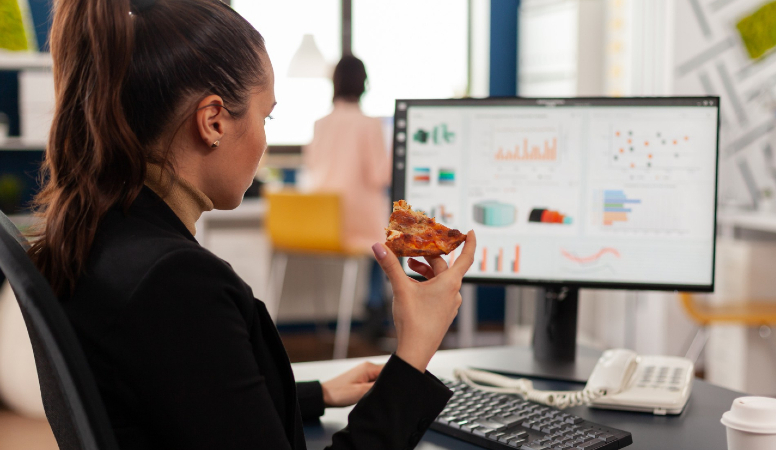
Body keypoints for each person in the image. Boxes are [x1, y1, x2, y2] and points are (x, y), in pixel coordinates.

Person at [27, 0, 476, 449]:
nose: (265, 136)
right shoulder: (177, 284)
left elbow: (184, 396)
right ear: (213, 121)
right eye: (267, 117)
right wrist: (414, 352)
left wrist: (316, 394)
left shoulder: (99, 235)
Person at [303, 55, 391, 341]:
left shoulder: (319, 123)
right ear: (364, 83)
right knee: (385, 239)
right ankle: (376, 309)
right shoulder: (369, 124)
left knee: (378, 237)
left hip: (322, 222)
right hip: (359, 222)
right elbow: (380, 176)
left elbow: (313, 166)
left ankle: (374, 309)